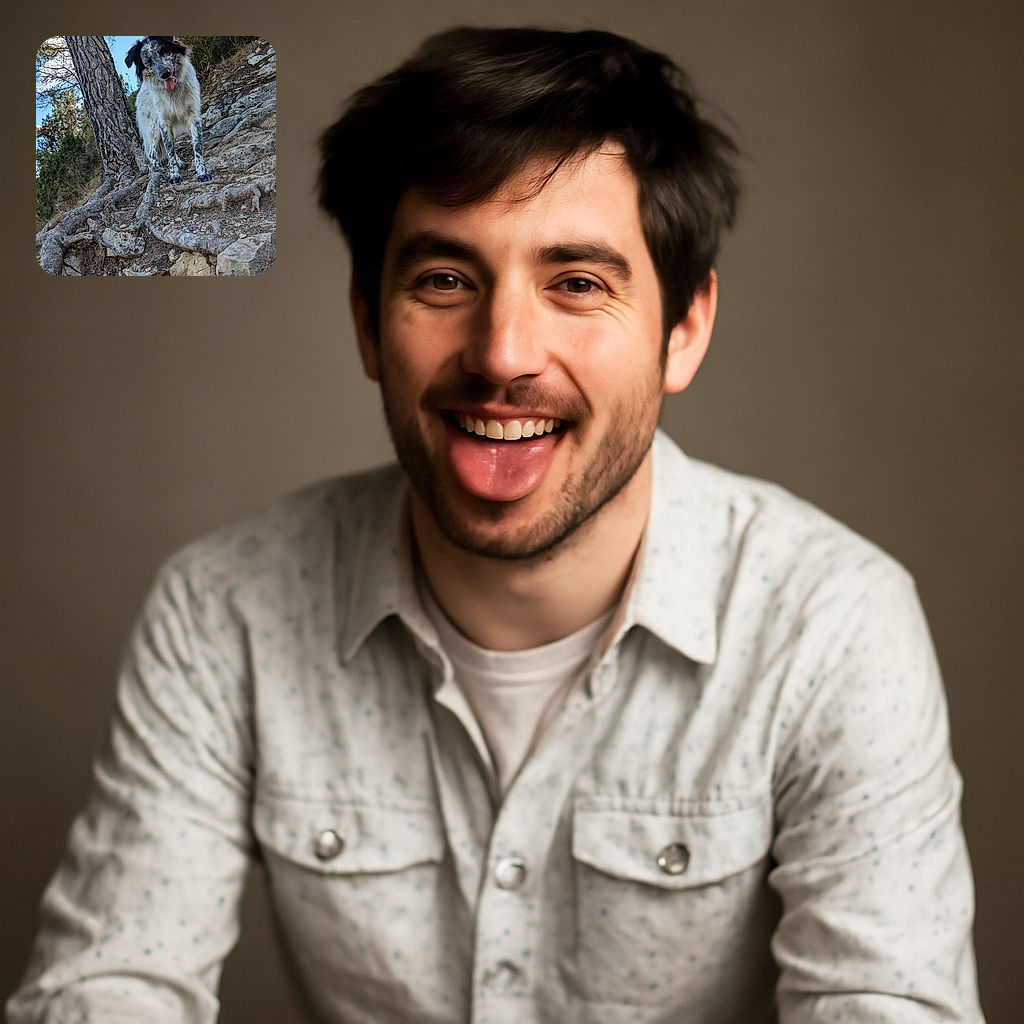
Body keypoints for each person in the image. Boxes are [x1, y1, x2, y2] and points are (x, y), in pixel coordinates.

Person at [9, 26, 983, 1024]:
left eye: (577, 283)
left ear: (683, 328)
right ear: (364, 320)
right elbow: (108, 985)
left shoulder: (833, 623)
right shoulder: (224, 609)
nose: (503, 354)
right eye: (443, 279)